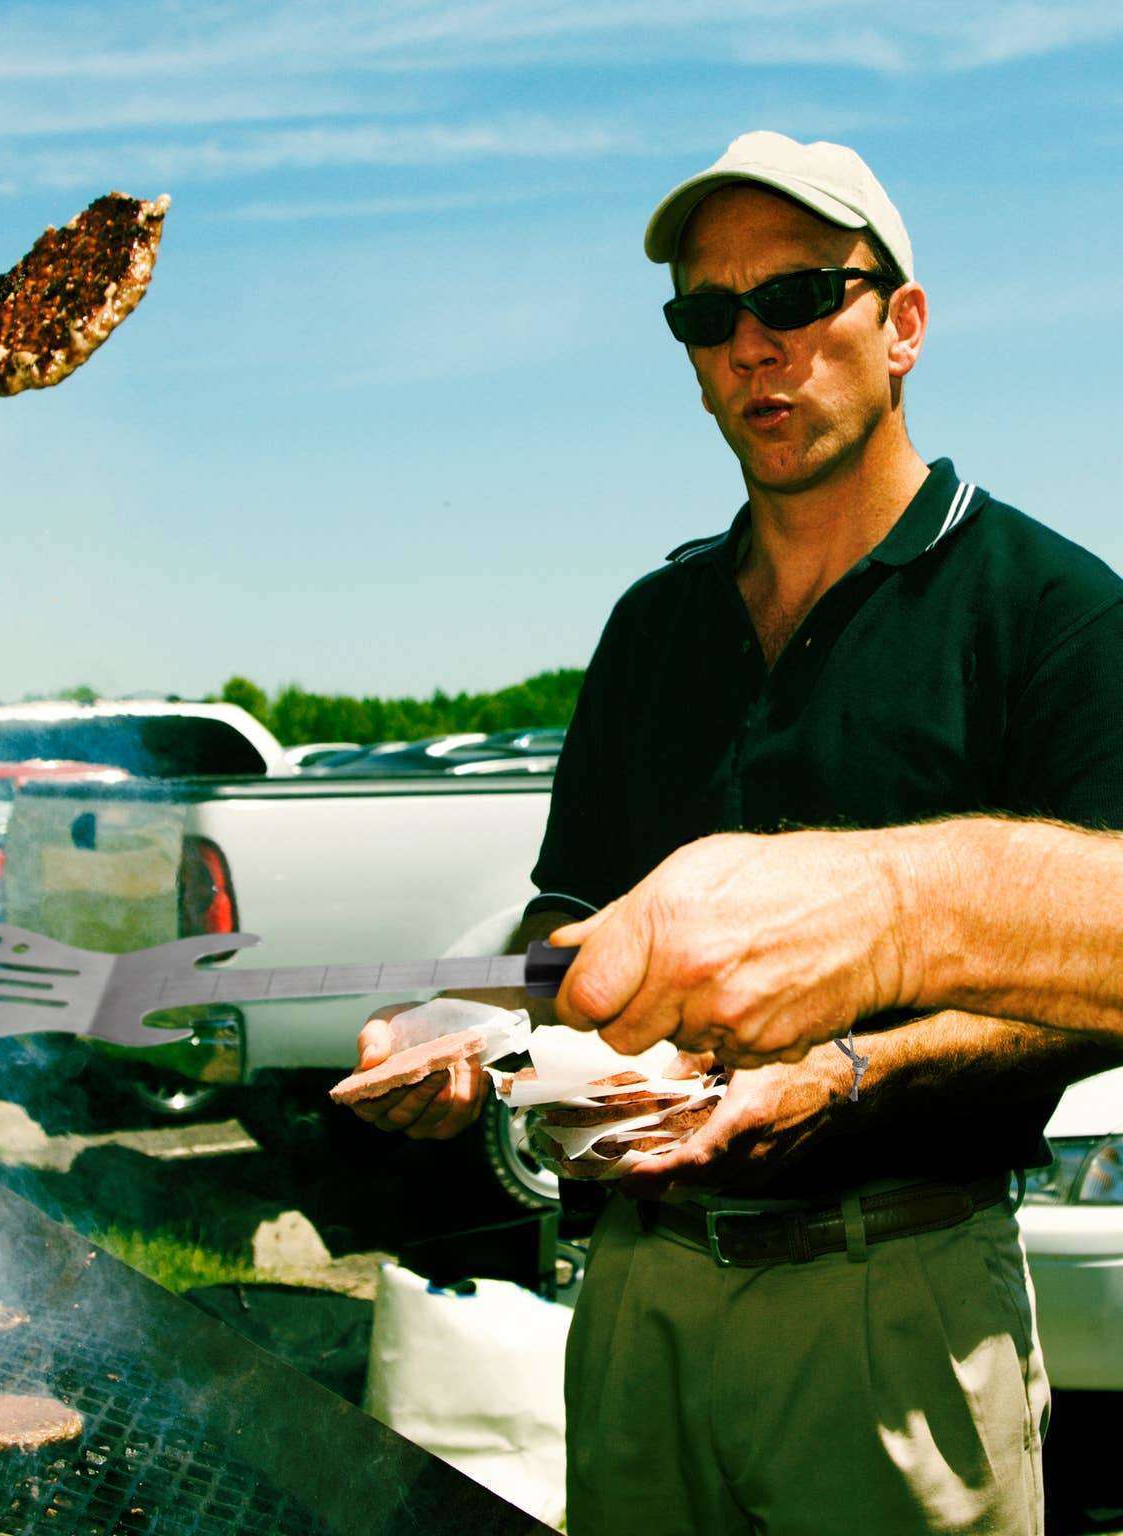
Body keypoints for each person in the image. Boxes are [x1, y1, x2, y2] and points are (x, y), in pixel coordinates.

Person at [348, 131, 1123, 1535]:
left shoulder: (1051, 612)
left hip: (895, 1304)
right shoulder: (656, 630)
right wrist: (478, 1032)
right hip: (638, 1293)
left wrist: (844, 1073)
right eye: (710, 315)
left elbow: (1103, 983)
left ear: (902, 325)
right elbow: (567, 919)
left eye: (800, 298)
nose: (755, 347)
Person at [549, 815, 1123, 1065]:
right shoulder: (646, 623)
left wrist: (895, 912)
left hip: (912, 1244)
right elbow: (563, 915)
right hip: (638, 1251)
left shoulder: (1057, 601)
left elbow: (1093, 1001)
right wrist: (485, 1029)